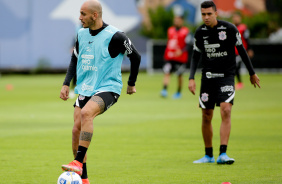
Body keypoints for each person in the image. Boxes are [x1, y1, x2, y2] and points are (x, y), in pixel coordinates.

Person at [59, 0, 141, 183]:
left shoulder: (116, 36)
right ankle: (85, 179)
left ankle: (78, 162)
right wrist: (66, 84)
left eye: (83, 14)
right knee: (75, 131)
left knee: (87, 113)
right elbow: (75, 59)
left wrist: (131, 83)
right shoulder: (81, 34)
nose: (79, 18)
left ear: (94, 15)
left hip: (108, 88)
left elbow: (135, 56)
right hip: (85, 88)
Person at [188, 1, 260, 164]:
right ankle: (208, 155)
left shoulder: (229, 29)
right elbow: (195, 56)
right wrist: (191, 78)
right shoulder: (200, 32)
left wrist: (252, 73)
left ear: (216, 13)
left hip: (226, 76)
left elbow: (241, 50)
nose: (206, 17)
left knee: (226, 110)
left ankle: (223, 154)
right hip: (207, 78)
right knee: (206, 116)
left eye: (209, 14)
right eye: (203, 14)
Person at [161, 15, 192, 99]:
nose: (176, 22)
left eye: (178, 20)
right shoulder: (170, 30)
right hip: (169, 56)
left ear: (182, 21)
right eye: (175, 20)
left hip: (180, 58)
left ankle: (178, 92)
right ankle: (164, 90)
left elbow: (189, 44)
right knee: (167, 72)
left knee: (179, 75)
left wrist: (181, 51)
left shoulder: (186, 31)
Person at [232, 12, 254, 90]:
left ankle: (240, 83)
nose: (235, 19)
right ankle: (235, 83)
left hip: (241, 51)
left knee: (236, 66)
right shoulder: (231, 27)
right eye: (234, 17)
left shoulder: (243, 28)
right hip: (232, 51)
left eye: (237, 17)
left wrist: (249, 49)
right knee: (233, 67)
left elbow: (247, 40)